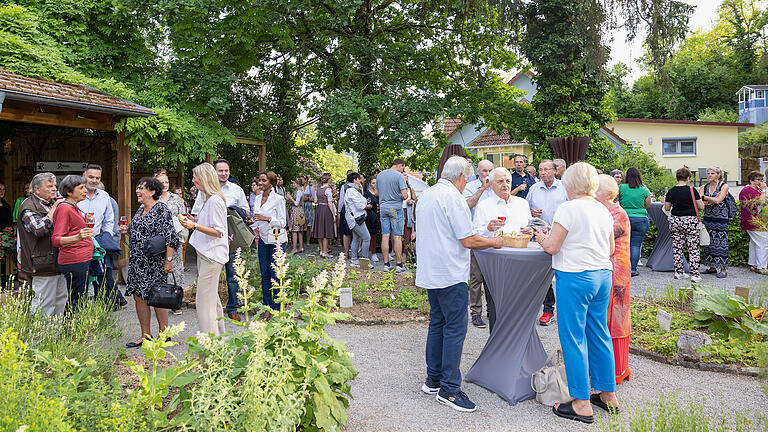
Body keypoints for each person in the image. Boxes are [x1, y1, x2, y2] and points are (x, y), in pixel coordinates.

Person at [531, 162, 619, 423]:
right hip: (602, 275)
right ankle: (607, 394)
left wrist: (539, 237)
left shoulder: (568, 208)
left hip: (575, 276)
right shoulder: (603, 209)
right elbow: (611, 248)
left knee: (573, 338)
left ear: (569, 183)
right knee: (599, 333)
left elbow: (552, 246)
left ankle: (581, 402)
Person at [416, 156, 503, 413]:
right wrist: (493, 242)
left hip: (432, 271)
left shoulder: (429, 194)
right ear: (462, 177)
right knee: (454, 328)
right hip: (450, 272)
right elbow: (468, 239)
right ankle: (450, 389)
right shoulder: (452, 197)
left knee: (438, 323)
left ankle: (433, 379)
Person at [119, 177, 178, 348]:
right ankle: (145, 335)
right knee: (139, 297)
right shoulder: (140, 209)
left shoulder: (161, 209)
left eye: (142, 188)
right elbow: (138, 233)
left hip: (155, 262)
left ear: (152, 192)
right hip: (138, 262)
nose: (138, 191)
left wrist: (168, 261)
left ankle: (164, 334)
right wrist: (126, 230)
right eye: (137, 187)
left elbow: (170, 237)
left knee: (157, 296)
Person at [471, 167, 532, 331]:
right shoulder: (484, 206)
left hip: (520, 262)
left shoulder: (522, 204)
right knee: (496, 306)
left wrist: (531, 231)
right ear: (490, 184)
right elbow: (476, 234)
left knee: (519, 305)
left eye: (508, 181)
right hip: (495, 263)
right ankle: (496, 346)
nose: (505, 185)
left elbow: (530, 228)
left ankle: (518, 343)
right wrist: (488, 228)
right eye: (500, 181)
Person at [191, 159, 249, 321]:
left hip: (230, 237)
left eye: (226, 170)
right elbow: (197, 213)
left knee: (232, 275)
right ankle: (216, 320)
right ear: (213, 173)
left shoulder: (236, 190)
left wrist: (230, 210)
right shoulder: (204, 193)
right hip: (210, 242)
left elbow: (246, 212)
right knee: (209, 281)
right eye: (220, 171)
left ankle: (232, 308)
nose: (224, 173)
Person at [180, 163, 228, 335]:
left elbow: (218, 231)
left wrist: (194, 225)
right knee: (212, 301)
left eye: (195, 177)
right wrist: (192, 220)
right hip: (206, 253)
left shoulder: (215, 200)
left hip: (211, 256)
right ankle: (219, 341)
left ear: (204, 178)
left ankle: (209, 350)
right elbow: (207, 222)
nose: (193, 180)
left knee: (203, 304)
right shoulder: (207, 198)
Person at [596, 175, 632, 385]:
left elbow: (603, 238)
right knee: (605, 317)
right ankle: (605, 366)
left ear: (607, 193)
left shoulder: (617, 213)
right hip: (609, 268)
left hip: (616, 271)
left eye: (596, 189)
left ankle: (617, 369)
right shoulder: (606, 211)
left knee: (616, 317)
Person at [526, 159, 569, 326]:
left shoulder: (564, 188)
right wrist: (531, 212)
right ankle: (548, 310)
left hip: (562, 237)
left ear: (554, 171)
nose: (543, 173)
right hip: (540, 237)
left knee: (562, 274)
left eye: (546, 170)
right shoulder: (534, 189)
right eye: (540, 170)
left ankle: (565, 311)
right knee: (542, 276)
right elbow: (526, 209)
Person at [17, 173, 66, 316]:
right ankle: (39, 338)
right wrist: (54, 210)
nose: (54, 189)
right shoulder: (28, 206)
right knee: (44, 305)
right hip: (42, 264)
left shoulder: (54, 202)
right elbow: (38, 229)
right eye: (49, 186)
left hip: (59, 261)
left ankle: (56, 337)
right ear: (37, 189)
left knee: (60, 302)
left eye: (55, 186)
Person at [78, 164, 124, 307]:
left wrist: (106, 237)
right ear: (84, 176)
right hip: (78, 240)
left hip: (98, 241)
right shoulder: (76, 194)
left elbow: (109, 219)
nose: (94, 180)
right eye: (91, 177)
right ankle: (81, 308)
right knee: (81, 276)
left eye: (97, 178)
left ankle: (104, 305)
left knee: (102, 275)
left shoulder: (104, 196)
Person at [51, 175, 94, 314]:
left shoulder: (74, 207)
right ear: (69, 192)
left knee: (79, 298)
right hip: (74, 260)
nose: (85, 191)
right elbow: (56, 240)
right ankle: (71, 332)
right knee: (76, 300)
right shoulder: (65, 208)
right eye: (81, 188)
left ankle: (76, 330)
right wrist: (78, 237)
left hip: (81, 259)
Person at [462, 159, 495, 328]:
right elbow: (467, 206)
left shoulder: (496, 186)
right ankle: (475, 312)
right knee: (476, 277)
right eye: (484, 171)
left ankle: (493, 310)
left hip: (494, 238)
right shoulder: (470, 186)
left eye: (490, 171)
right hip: (476, 237)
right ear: (478, 171)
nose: (487, 174)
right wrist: (482, 188)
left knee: (493, 277)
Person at [250, 171, 287, 311]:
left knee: (276, 275)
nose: (260, 183)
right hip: (263, 241)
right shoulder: (257, 198)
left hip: (276, 241)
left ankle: (277, 309)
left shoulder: (278, 199)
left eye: (263, 180)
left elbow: (283, 222)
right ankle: (267, 308)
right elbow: (256, 219)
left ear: (271, 183)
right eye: (259, 180)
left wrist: (268, 219)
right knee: (264, 275)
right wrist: (251, 222)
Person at [154, 170, 187, 314]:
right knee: (160, 268)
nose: (165, 185)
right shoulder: (152, 197)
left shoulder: (176, 198)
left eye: (166, 182)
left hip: (175, 238)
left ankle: (175, 301)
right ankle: (160, 299)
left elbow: (183, 215)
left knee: (176, 269)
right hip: (158, 239)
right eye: (161, 182)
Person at [664, 166, 705, 282]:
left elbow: (667, 208)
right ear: (688, 178)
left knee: (677, 247)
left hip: (676, 221)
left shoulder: (671, 191)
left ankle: (678, 272)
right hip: (690, 221)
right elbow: (701, 206)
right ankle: (695, 275)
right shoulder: (692, 190)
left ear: (677, 178)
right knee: (693, 248)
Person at [377, 158, 410, 273]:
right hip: (395, 208)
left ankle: (386, 263)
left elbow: (376, 193)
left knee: (385, 236)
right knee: (397, 236)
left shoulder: (380, 175)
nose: (403, 170)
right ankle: (399, 264)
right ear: (400, 165)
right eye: (403, 168)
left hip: (383, 208)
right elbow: (405, 196)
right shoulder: (399, 176)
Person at [617, 167, 650, 277]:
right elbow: (647, 205)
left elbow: (617, 202)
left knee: (623, 244)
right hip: (640, 219)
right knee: (636, 245)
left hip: (624, 218)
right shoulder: (644, 190)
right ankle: (633, 270)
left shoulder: (621, 187)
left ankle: (622, 269)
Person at [699, 166, 730, 278]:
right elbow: (701, 204)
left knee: (721, 243)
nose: (709, 175)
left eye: (712, 173)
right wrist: (710, 199)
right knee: (709, 242)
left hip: (721, 218)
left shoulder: (724, 186)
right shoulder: (704, 186)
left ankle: (723, 269)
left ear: (718, 175)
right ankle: (711, 267)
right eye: (708, 173)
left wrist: (706, 198)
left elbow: (719, 200)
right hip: (708, 217)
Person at [739, 171, 768, 274]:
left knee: (755, 243)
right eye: (758, 179)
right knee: (763, 243)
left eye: (762, 179)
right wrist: (764, 190)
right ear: (751, 180)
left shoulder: (754, 189)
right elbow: (762, 202)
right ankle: (762, 267)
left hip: (754, 221)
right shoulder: (748, 190)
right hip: (753, 221)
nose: (761, 182)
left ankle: (753, 264)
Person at [344, 172, 373, 268]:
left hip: (355, 218)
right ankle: (364, 261)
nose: (360, 181)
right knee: (366, 238)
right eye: (358, 179)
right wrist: (367, 206)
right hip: (356, 219)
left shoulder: (352, 190)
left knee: (356, 239)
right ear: (355, 180)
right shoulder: (352, 191)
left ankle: (354, 260)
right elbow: (360, 206)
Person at [313, 173, 337, 258]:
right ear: (328, 179)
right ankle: (325, 251)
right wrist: (333, 214)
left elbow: (315, 201)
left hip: (319, 209)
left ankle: (321, 250)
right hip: (326, 210)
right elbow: (330, 203)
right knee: (326, 231)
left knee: (320, 230)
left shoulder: (318, 189)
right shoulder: (328, 190)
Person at [364, 177, 381, 262]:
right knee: (372, 235)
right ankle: (373, 253)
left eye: (376, 183)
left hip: (380, 215)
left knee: (383, 234)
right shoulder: (367, 194)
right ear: (370, 184)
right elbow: (365, 205)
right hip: (371, 217)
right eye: (373, 183)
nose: (375, 184)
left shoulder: (380, 193)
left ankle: (388, 253)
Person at [287, 178, 306, 254]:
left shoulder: (298, 192)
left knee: (294, 231)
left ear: (297, 184)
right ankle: (301, 247)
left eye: (294, 183)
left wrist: (290, 197)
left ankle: (294, 248)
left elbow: (296, 203)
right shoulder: (301, 191)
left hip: (296, 211)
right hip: (301, 210)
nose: (293, 185)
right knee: (300, 231)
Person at [301, 176, 316, 246]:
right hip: (301, 207)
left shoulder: (311, 188)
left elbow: (315, 199)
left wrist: (308, 198)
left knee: (309, 224)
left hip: (309, 207)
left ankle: (308, 241)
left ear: (306, 180)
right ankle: (301, 241)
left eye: (302, 179)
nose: (301, 181)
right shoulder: (299, 188)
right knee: (301, 223)